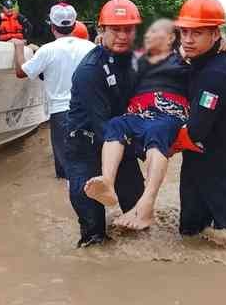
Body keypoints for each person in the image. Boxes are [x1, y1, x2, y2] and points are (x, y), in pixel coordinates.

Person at [84, 19, 202, 231]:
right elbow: (113, 51)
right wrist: (102, 41)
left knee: (157, 133)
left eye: (158, 32)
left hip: (168, 112)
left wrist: (222, 43)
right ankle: (107, 182)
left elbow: (207, 55)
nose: (151, 36)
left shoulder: (184, 59)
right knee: (115, 125)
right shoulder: (137, 59)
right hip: (138, 112)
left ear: (171, 38)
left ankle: (148, 201)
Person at [174, 0, 226, 238]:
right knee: (190, 233)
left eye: (197, 33)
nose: (188, 40)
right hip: (199, 159)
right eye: (184, 32)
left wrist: (161, 147)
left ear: (215, 34)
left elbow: (195, 130)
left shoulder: (216, 73)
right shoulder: (199, 59)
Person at [65, 0, 145, 247]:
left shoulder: (136, 60)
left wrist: (220, 44)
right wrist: (146, 147)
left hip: (120, 142)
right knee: (94, 235)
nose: (122, 35)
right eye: (115, 29)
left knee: (139, 218)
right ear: (102, 30)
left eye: (128, 29)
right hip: (86, 148)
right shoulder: (90, 70)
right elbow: (104, 128)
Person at [12, 3, 95, 179]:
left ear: (52, 26)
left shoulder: (47, 51)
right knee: (91, 164)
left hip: (61, 115)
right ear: (74, 25)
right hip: (89, 112)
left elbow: (21, 72)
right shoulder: (90, 48)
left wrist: (19, 48)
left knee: (67, 172)